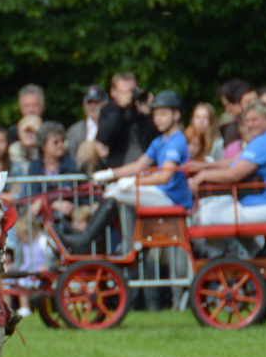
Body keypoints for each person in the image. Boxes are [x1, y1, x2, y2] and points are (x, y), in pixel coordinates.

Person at [60, 90, 191, 250]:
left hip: (172, 198)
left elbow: (164, 177)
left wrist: (133, 182)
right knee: (115, 190)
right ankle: (91, 237)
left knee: (116, 192)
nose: (157, 119)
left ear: (176, 115)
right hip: (162, 194)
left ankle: (86, 237)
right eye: (155, 115)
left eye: (163, 114)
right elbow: (137, 166)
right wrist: (110, 174)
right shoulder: (160, 141)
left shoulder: (176, 141)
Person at [189, 100, 266, 239]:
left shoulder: (263, 141)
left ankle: (219, 257)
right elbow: (234, 161)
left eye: (254, 120)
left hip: (264, 205)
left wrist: (203, 175)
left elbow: (235, 174)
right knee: (220, 204)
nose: (249, 124)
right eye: (247, 120)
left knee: (202, 213)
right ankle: (242, 254)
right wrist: (204, 165)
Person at [65, 84, 106, 165]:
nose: (93, 106)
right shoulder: (74, 131)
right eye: (89, 103)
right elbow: (70, 157)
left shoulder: (113, 127)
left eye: (97, 102)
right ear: (84, 105)